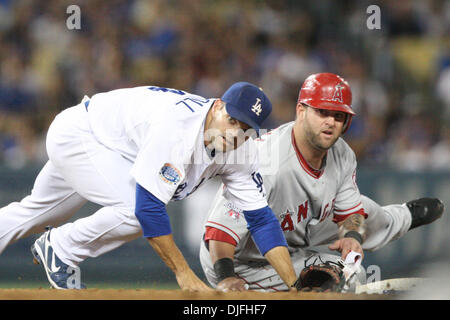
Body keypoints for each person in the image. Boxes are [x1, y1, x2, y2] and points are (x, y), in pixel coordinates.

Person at [0, 82, 299, 290]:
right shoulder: (180, 127)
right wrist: (184, 274)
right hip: (82, 135)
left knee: (35, 213)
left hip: (109, 146)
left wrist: (294, 284)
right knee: (134, 212)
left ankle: (57, 243)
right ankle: (61, 248)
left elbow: (260, 218)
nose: (236, 133)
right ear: (218, 106)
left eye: (246, 129)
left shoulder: (241, 152)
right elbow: (148, 208)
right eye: (232, 120)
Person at [199, 73, 445, 292]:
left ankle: (403, 217)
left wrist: (352, 237)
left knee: (364, 209)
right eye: (322, 112)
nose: (330, 121)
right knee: (347, 277)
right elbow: (220, 232)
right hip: (243, 260)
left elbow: (351, 213)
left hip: (294, 235)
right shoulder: (265, 161)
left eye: (338, 116)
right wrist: (226, 277)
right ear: (301, 111)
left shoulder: (343, 153)